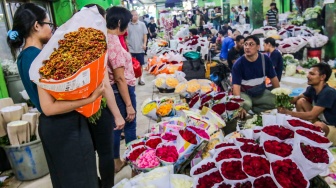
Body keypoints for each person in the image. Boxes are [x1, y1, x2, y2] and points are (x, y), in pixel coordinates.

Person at [7, 3, 105, 187]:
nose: (51, 29)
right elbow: (49, 107)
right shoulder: (41, 58)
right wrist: (89, 98)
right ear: (36, 26)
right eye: (48, 24)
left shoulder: (23, 57)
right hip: (64, 126)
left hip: (50, 127)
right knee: (82, 179)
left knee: (65, 179)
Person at [84, 4, 126, 188]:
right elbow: (105, 85)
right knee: (105, 152)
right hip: (98, 105)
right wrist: (117, 114)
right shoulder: (96, 44)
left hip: (80, 107)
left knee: (89, 153)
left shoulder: (75, 43)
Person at [106, 6, 137, 174]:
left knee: (116, 128)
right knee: (129, 126)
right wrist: (129, 104)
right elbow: (119, 78)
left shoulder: (106, 38)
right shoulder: (114, 43)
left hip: (114, 91)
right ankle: (135, 164)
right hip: (121, 91)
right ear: (119, 22)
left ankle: (117, 161)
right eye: (127, 22)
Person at [277, 63, 336, 143]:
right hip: (320, 120)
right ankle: (305, 128)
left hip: (332, 126)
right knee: (300, 101)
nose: (308, 76)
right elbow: (296, 99)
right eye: (308, 73)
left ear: (322, 77)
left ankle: (311, 136)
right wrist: (281, 98)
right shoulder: (312, 88)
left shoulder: (328, 92)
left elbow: (312, 115)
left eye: (312, 74)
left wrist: (287, 112)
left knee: (319, 125)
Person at [232, 35, 280, 117]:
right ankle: (250, 106)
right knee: (246, 105)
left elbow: (274, 78)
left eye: (251, 44)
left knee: (277, 102)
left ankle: (254, 109)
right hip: (244, 93)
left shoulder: (265, 60)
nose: (247, 47)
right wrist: (239, 106)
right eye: (245, 44)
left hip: (260, 92)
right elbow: (236, 87)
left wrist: (280, 95)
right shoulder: (238, 64)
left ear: (258, 47)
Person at [127, 10, 148, 86]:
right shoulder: (127, 25)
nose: (135, 16)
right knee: (130, 65)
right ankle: (132, 80)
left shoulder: (142, 24)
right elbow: (125, 37)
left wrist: (144, 44)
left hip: (140, 48)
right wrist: (127, 47)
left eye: (136, 15)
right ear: (130, 16)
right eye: (133, 15)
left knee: (140, 65)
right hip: (130, 49)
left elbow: (145, 35)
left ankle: (140, 79)